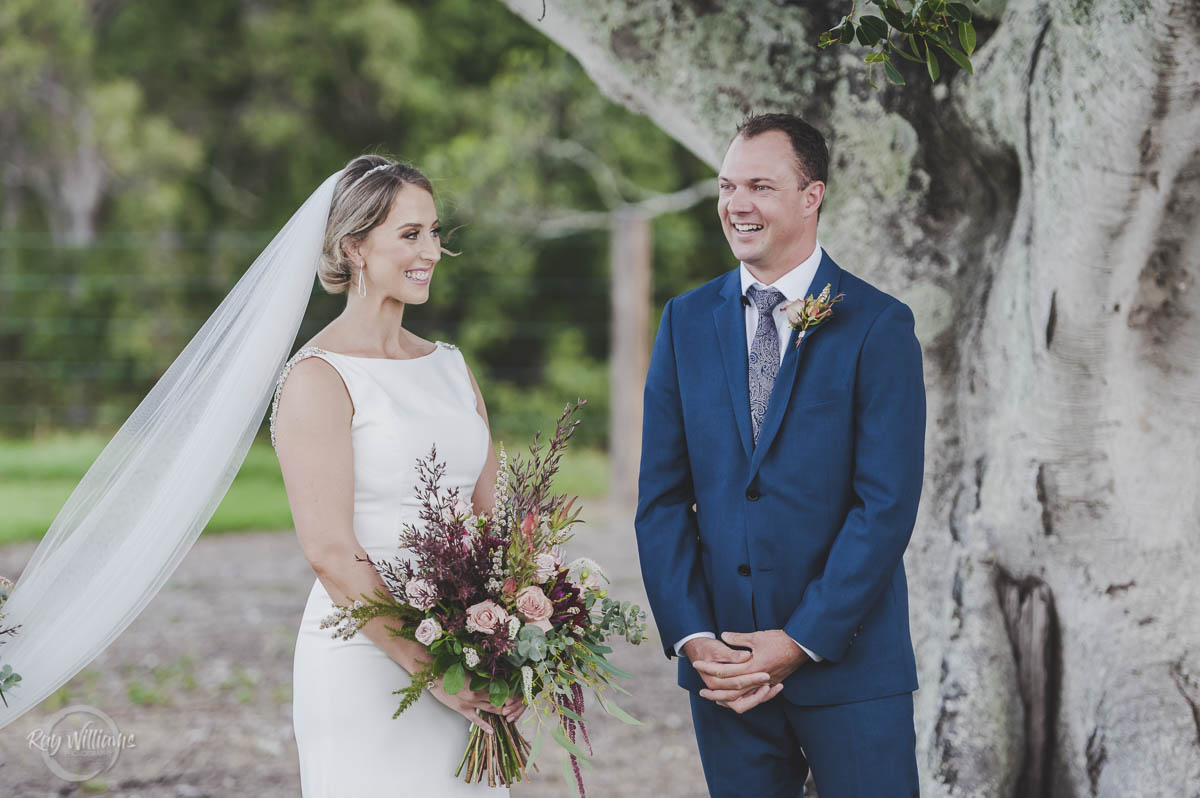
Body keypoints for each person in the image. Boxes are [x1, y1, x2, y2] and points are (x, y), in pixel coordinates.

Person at [635, 113, 926, 797]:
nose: (737, 205)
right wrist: (695, 637)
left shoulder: (879, 325)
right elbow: (662, 499)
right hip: (727, 673)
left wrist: (797, 641)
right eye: (727, 185)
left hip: (850, 663)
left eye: (760, 186)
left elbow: (885, 506)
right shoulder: (684, 321)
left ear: (811, 195)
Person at [269, 155, 525, 796]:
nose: (432, 251)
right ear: (354, 247)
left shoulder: (451, 365)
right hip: (364, 659)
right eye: (409, 235)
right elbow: (329, 550)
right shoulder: (318, 378)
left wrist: (511, 644)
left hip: (468, 656)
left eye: (434, 232)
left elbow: (494, 519)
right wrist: (434, 671)